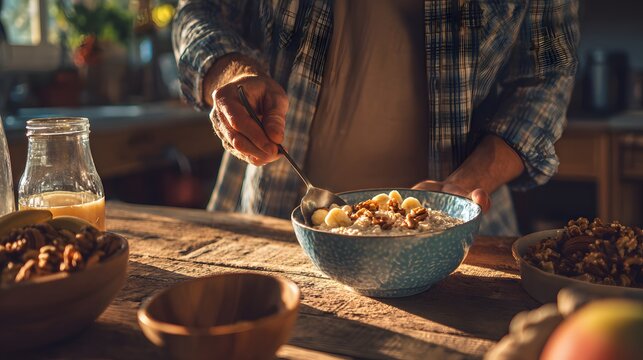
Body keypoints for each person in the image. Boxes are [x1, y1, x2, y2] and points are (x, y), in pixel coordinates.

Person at [173, 0, 579, 236]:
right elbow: (199, 10)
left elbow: (548, 73)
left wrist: (459, 189)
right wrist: (231, 73)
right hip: (274, 217)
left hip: (458, 229)